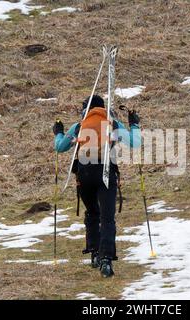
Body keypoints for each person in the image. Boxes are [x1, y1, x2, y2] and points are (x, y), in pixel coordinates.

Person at [53, 94, 141, 277]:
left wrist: (58, 132)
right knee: (107, 218)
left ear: (86, 108)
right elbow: (135, 142)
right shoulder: (113, 124)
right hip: (106, 172)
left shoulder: (79, 126)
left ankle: (94, 253)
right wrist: (134, 124)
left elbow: (60, 147)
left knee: (92, 213)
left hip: (84, 174)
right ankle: (106, 259)